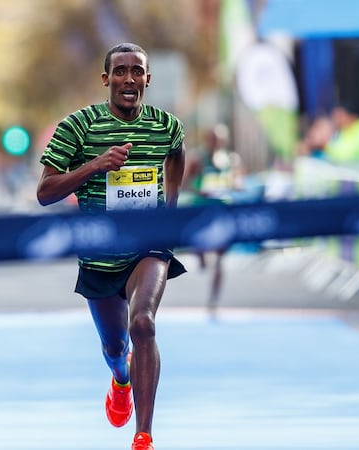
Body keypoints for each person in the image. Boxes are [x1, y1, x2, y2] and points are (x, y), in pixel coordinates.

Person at [36, 42, 186, 450]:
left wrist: (167, 214)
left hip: (148, 248)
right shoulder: (78, 127)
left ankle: (144, 436)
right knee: (116, 345)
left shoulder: (166, 126)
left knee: (143, 325)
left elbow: (176, 157)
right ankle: (120, 378)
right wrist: (95, 165)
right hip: (100, 253)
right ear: (106, 79)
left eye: (137, 72)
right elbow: (45, 192)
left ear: (147, 80)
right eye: (120, 72)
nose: (129, 79)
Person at [181, 123, 243, 318]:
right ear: (208, 139)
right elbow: (185, 184)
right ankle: (199, 253)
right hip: (202, 209)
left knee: (219, 258)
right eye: (214, 138)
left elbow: (237, 182)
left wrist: (234, 188)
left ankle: (213, 300)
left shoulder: (232, 160)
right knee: (200, 244)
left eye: (221, 139)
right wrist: (202, 192)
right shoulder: (198, 159)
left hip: (223, 209)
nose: (217, 142)